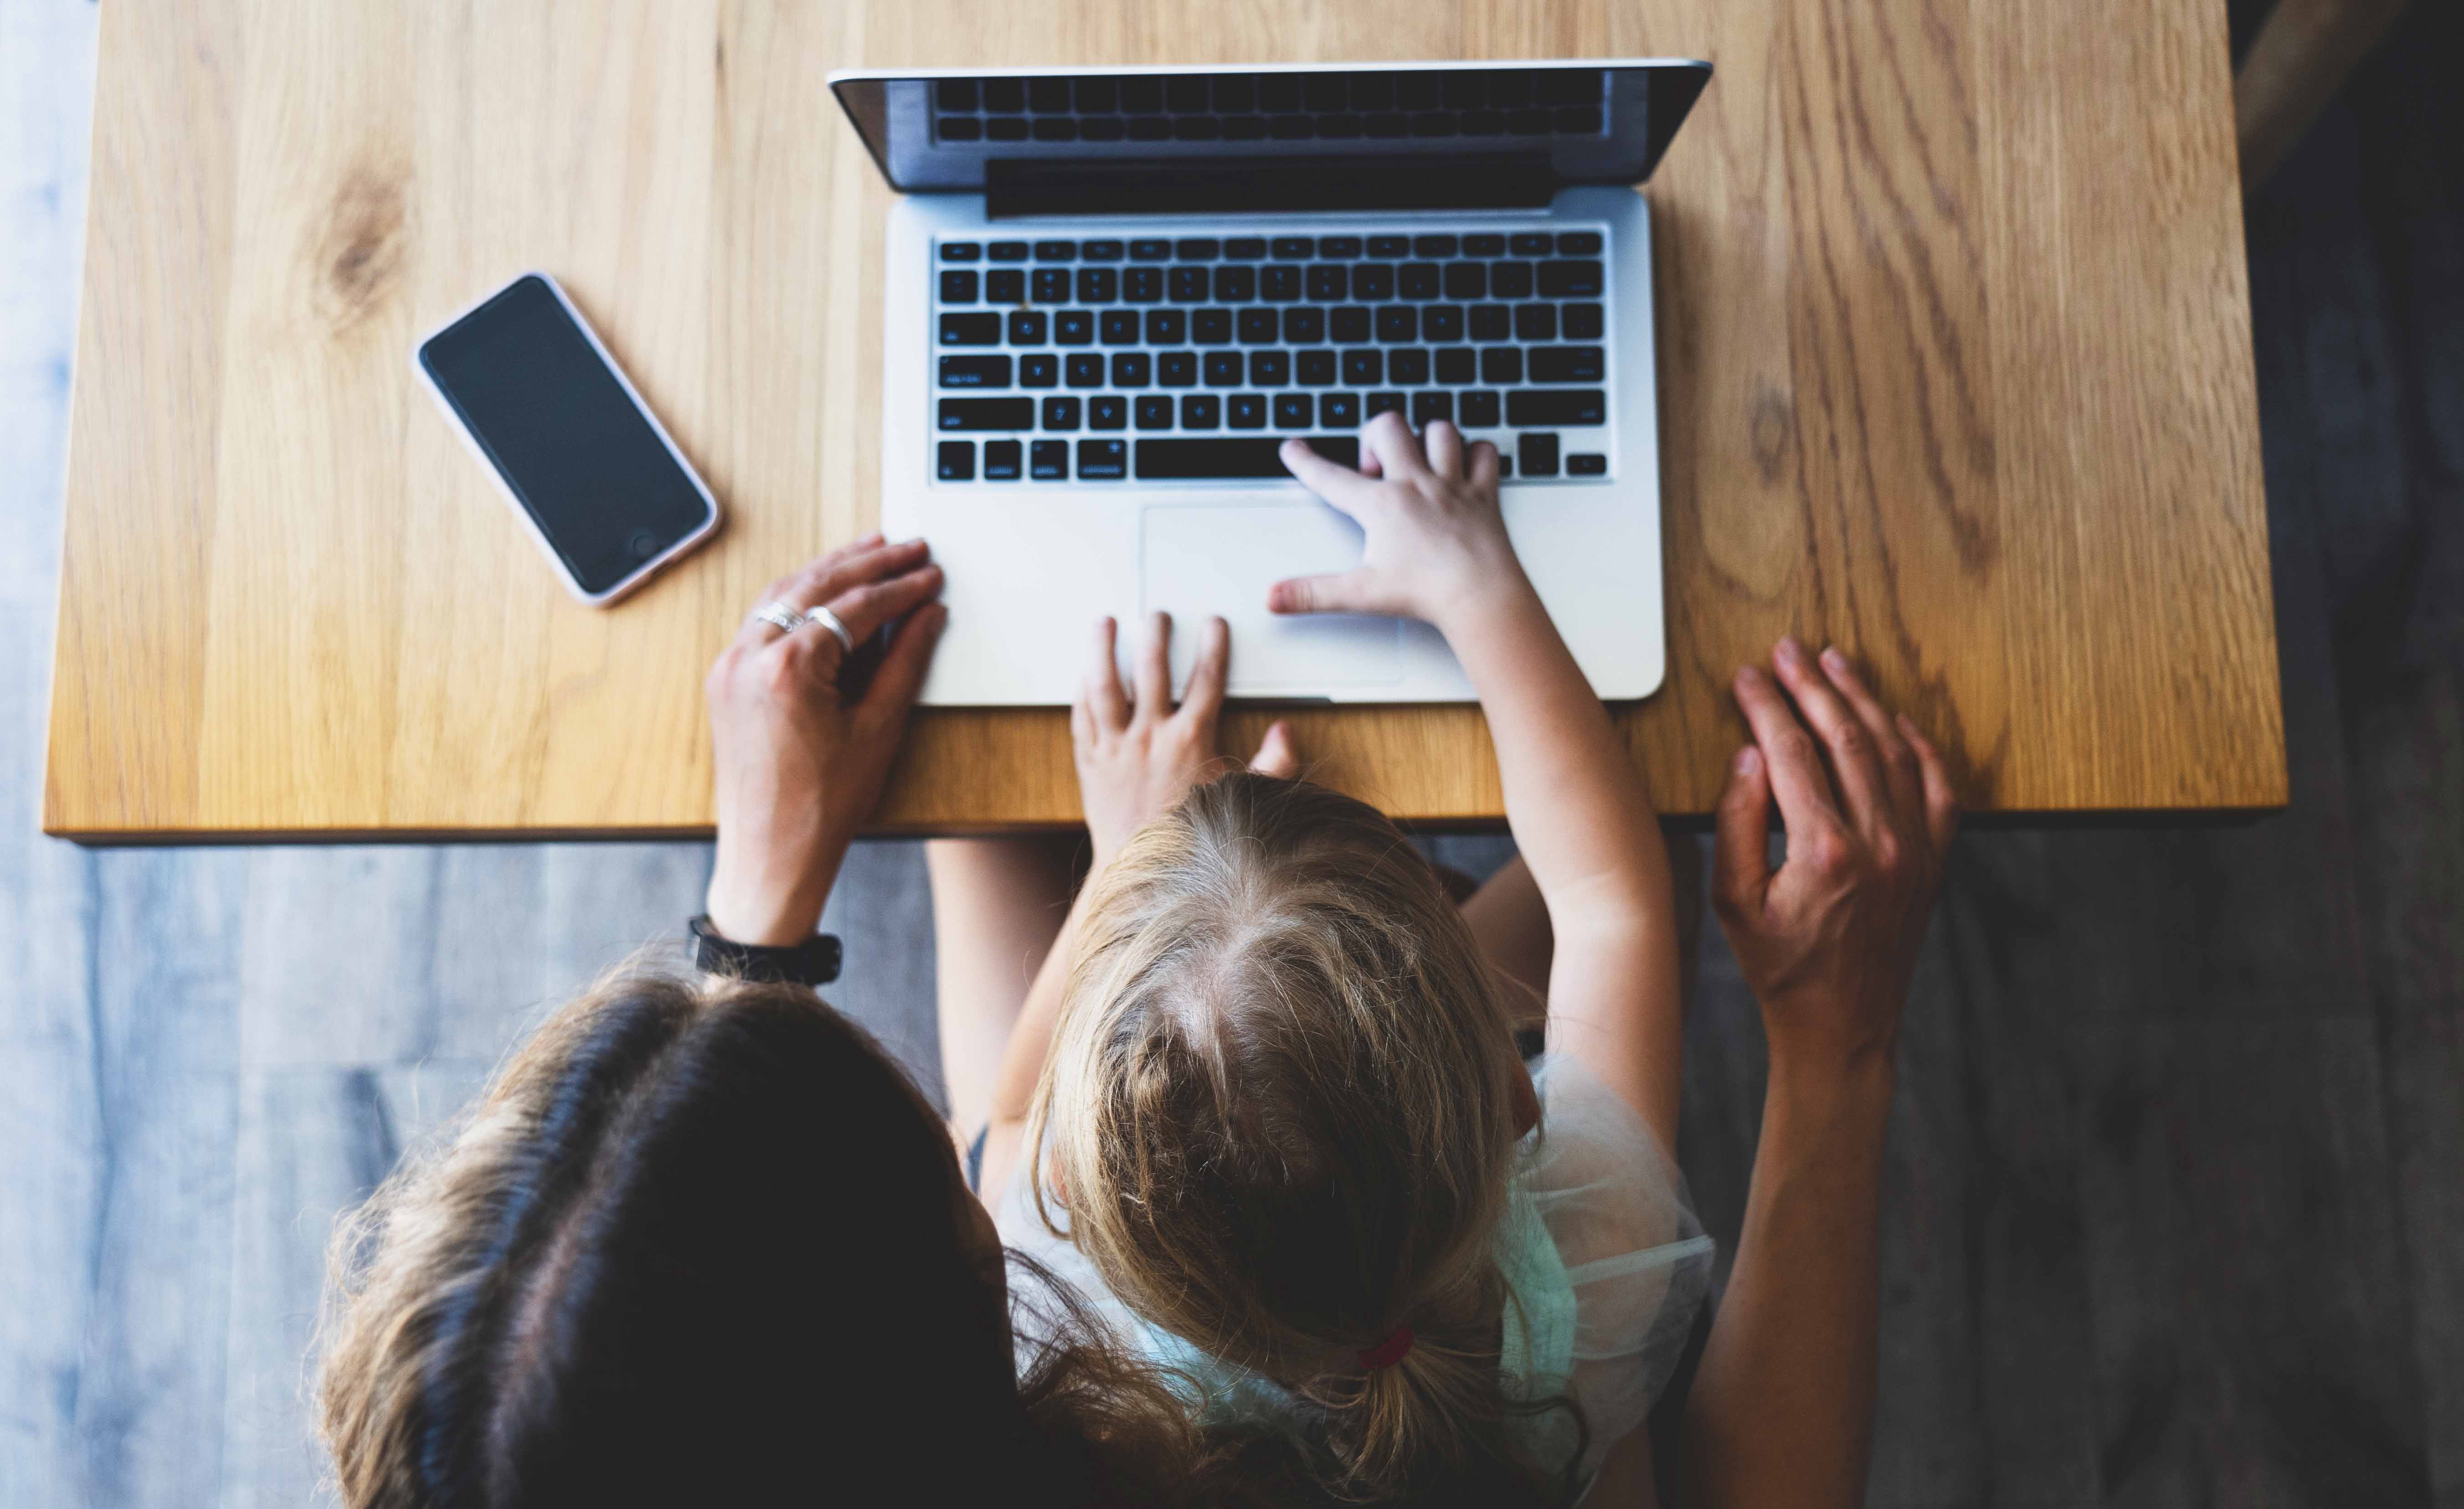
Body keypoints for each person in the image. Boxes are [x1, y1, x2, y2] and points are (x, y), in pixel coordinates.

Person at [937, 414, 1956, 1508]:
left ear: (1078, 1186)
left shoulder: (1062, 1316)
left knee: (964, 806)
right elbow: (1612, 899)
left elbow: (1007, 1119)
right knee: (1653, 835)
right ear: (1520, 1093)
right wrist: (1476, 584)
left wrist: (1120, 857)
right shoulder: (1586, 1245)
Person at [313, 538, 1209, 1508]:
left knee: (970, 797)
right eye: (936, 1186)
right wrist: (1138, 880)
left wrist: (754, 919)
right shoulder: (1211, 1414)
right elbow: (1016, 1169)